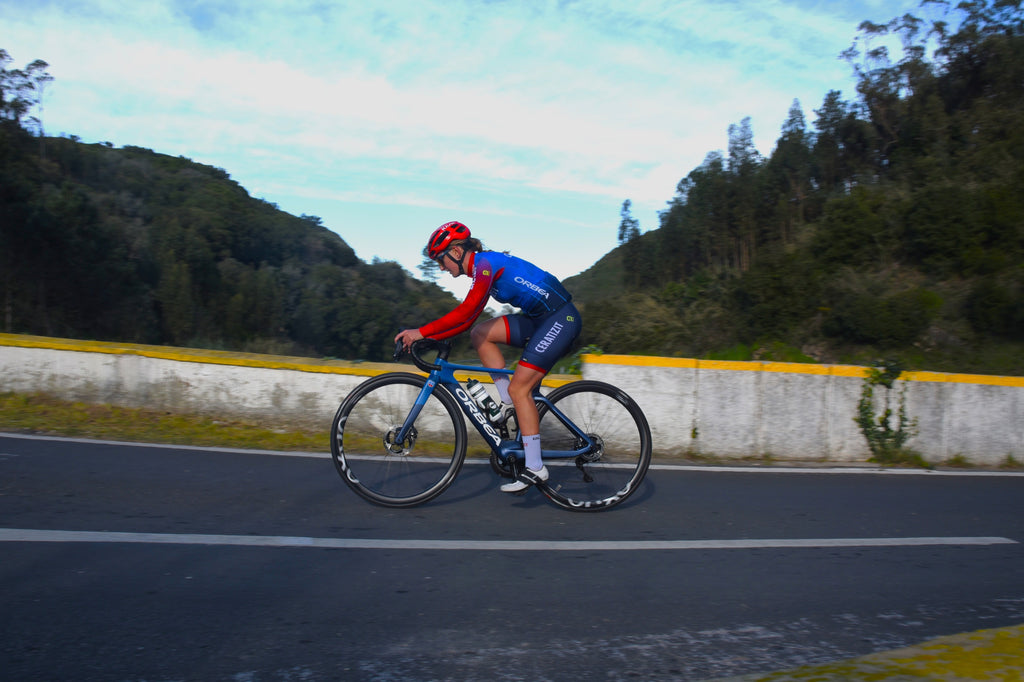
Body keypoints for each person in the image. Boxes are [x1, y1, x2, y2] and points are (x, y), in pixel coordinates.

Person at [395, 221, 582, 493]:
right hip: (539, 320)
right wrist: (427, 336)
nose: (441, 268)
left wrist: (420, 332)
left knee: (522, 388)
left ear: (457, 252)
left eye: (441, 260)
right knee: (481, 333)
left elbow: (465, 311)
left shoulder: (485, 265)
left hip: (560, 319)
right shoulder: (481, 269)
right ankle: (508, 404)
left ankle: (535, 467)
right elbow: (469, 322)